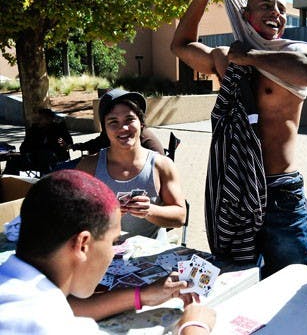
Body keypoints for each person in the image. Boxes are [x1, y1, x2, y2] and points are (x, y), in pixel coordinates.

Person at [172, 0, 307, 278]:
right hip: (237, 188)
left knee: (290, 281)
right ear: (245, 14)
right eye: (267, 5)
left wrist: (251, 58)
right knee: (236, 276)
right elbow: (181, 45)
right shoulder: (226, 59)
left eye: (282, 9)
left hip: (280, 191)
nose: (276, 13)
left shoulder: (293, 52)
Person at [0, 169, 213, 333]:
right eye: (113, 242)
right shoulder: (52, 326)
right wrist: (194, 326)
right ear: (83, 244)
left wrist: (143, 295)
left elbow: (71, 307)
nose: (114, 253)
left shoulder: (14, 286)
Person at [76, 88, 187, 239]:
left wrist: (149, 210)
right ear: (105, 129)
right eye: (113, 122)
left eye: (129, 119)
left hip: (150, 258)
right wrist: (105, 214)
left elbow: (180, 217)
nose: (123, 128)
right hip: (105, 255)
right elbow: (73, 216)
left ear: (141, 123)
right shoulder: (89, 166)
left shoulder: (162, 165)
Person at [4, 108, 73, 175]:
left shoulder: (58, 128)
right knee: (12, 159)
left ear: (49, 119)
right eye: (37, 119)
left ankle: (45, 180)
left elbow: (69, 143)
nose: (37, 121)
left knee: (45, 155)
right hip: (33, 159)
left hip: (54, 159)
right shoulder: (34, 130)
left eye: (40, 119)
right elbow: (23, 148)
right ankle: (8, 182)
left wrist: (65, 144)